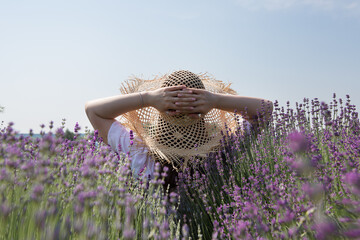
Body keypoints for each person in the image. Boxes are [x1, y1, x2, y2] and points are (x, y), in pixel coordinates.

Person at [85, 70, 273, 189]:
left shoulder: (139, 156)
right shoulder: (223, 155)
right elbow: (265, 110)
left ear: (160, 114)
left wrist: (147, 98)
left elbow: (93, 110)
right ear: (203, 113)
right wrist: (216, 101)